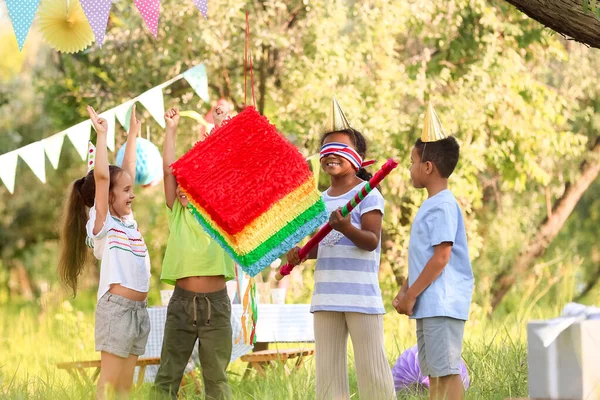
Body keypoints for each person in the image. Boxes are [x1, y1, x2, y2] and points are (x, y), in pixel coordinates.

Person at [58, 105, 151, 399]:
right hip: (117, 311)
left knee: (125, 388)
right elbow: (102, 178)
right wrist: (102, 135)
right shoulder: (104, 224)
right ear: (107, 196)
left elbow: (129, 173)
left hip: (138, 312)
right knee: (108, 385)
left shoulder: (128, 222)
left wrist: (133, 135)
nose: (131, 194)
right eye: (124, 191)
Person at [151, 108, 235, 400]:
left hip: (217, 307)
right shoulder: (177, 213)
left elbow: (226, 169)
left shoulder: (218, 213)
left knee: (217, 381)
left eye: (192, 182)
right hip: (182, 305)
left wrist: (222, 128)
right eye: (181, 182)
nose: (184, 188)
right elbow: (167, 169)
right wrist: (171, 129)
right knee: (167, 378)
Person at [393, 109, 474, 400]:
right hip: (430, 304)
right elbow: (423, 258)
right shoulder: (431, 205)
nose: (410, 169)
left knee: (446, 372)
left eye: (413, 162)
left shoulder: (443, 204)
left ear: (428, 167)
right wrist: (406, 291)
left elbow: (441, 257)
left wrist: (412, 295)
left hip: (442, 302)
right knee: (435, 374)